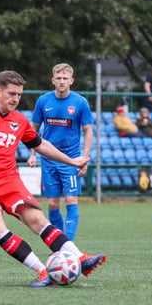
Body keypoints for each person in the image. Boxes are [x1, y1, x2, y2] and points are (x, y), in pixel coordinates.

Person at [0, 70, 105, 287]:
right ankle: (44, 272)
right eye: (12, 93)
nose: (16, 99)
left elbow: (41, 145)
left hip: (9, 182)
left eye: (19, 95)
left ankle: (80, 258)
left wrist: (72, 161)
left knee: (37, 220)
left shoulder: (19, 120)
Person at [26, 63, 92, 240]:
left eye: (65, 78)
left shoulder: (80, 102)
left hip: (71, 159)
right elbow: (33, 130)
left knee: (71, 200)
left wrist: (84, 158)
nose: (62, 82)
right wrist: (32, 154)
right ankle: (60, 242)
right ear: (53, 80)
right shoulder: (43, 101)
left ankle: (68, 245)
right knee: (53, 203)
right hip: (48, 158)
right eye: (58, 78)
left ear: (71, 81)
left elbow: (88, 130)